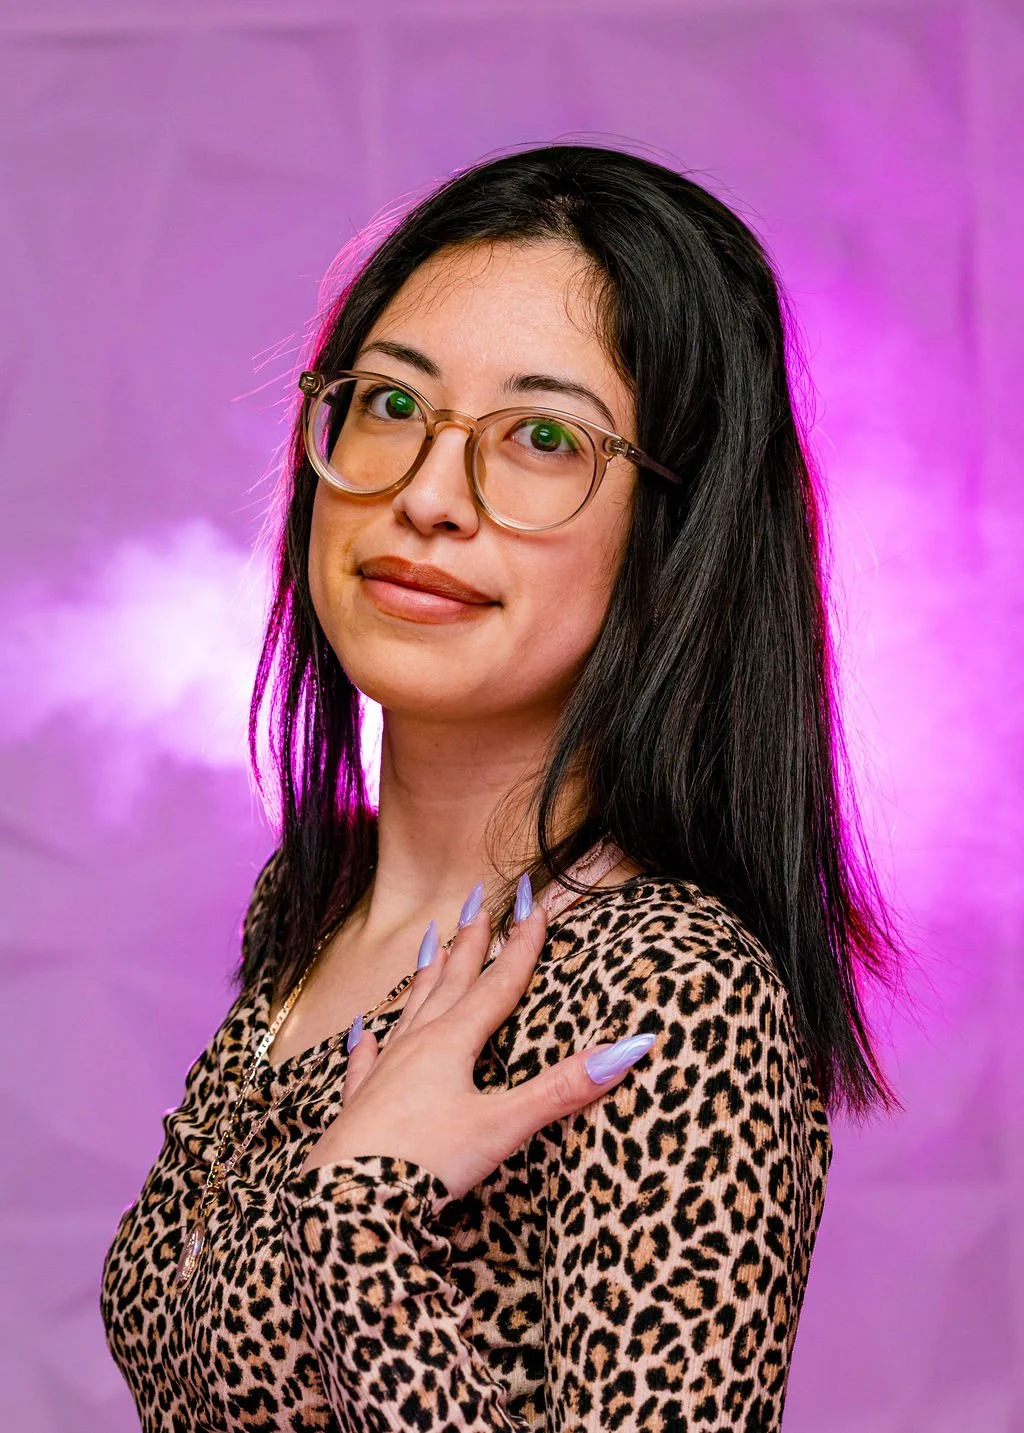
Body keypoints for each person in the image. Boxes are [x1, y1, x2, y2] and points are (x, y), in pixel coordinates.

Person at [101, 143, 900, 1431]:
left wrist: (361, 1220)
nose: (426, 495)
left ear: (674, 538)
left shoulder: (668, 991)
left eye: (542, 437)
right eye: (389, 402)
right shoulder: (316, 897)